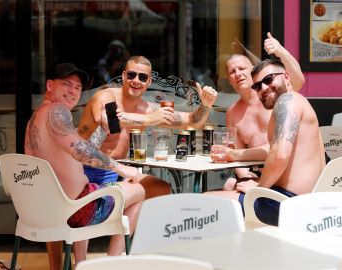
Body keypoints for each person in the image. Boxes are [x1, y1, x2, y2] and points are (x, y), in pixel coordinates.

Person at [24, 63, 145, 269]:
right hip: (76, 211)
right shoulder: (56, 111)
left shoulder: (36, 117)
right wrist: (122, 169)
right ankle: (111, 264)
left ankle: (77, 263)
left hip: (43, 210)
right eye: (67, 84)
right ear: (50, 85)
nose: (73, 92)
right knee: (139, 188)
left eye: (78, 88)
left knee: (90, 186)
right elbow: (80, 149)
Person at [78, 55, 218, 198]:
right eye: (132, 75)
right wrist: (150, 119)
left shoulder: (147, 109)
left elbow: (192, 120)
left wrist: (206, 104)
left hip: (118, 172)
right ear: (124, 75)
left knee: (161, 188)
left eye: (143, 77)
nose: (136, 81)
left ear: (149, 81)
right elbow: (109, 119)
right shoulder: (105, 96)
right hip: (86, 169)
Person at [208, 58, 325, 225]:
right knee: (228, 190)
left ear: (285, 77)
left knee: (203, 203)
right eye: (257, 86)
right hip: (305, 201)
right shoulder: (297, 101)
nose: (263, 88)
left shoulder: (287, 102)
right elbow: (276, 151)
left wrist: (258, 189)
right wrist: (234, 155)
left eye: (268, 80)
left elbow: (280, 155)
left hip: (287, 205)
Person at [216, 32, 305, 190]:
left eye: (242, 68)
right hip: (258, 175)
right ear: (228, 79)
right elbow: (236, 153)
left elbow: (297, 80)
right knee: (229, 185)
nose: (237, 74)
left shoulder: (273, 97)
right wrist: (245, 178)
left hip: (284, 174)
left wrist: (281, 52)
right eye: (232, 71)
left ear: (252, 72)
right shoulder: (233, 113)